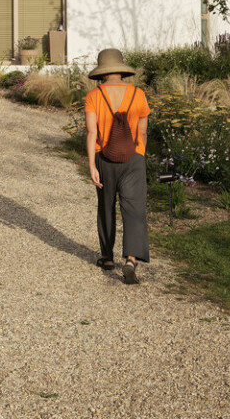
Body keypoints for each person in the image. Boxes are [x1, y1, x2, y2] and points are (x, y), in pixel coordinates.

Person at [84, 48, 151, 284]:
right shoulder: (138, 94)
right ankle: (131, 259)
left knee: (106, 206)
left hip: (104, 158)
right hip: (133, 158)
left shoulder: (94, 96)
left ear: (102, 73)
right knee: (134, 209)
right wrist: (139, 153)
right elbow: (142, 130)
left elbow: (92, 132)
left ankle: (107, 257)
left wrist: (91, 165)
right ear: (121, 71)